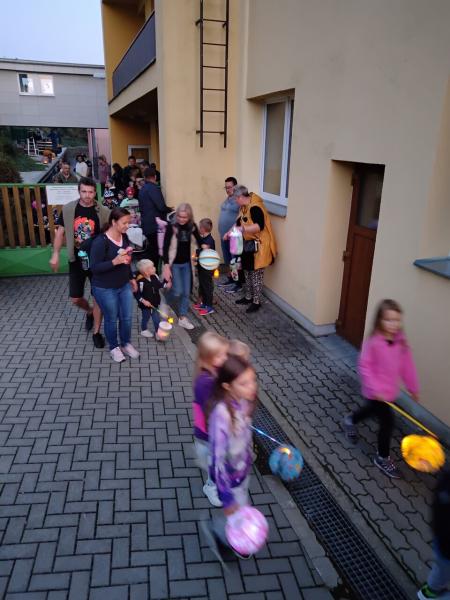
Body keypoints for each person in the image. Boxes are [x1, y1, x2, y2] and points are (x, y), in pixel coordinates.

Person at [343, 299, 420, 479]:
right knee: (388, 423)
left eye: (396, 320)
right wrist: (375, 388)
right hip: (375, 393)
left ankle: (350, 420)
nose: (393, 324)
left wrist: (413, 387)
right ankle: (382, 457)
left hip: (389, 393)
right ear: (379, 320)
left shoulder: (401, 343)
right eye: (388, 320)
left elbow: (407, 366)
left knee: (369, 411)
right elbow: (364, 366)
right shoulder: (374, 342)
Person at [202, 355, 258, 559]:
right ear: (227, 386)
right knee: (237, 512)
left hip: (242, 472)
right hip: (229, 479)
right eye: (244, 383)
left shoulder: (243, 402)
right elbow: (216, 461)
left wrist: (249, 454)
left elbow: (243, 434)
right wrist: (226, 498)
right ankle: (220, 534)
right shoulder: (221, 416)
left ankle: (228, 531)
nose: (252, 387)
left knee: (240, 509)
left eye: (253, 380)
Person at [49, 177, 109, 348]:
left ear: (95, 193)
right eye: (84, 191)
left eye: (90, 192)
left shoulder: (103, 211)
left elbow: (109, 233)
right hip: (76, 260)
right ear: (79, 191)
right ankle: (89, 311)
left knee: (98, 297)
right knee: (75, 298)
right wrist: (55, 254)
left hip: (97, 260)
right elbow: (59, 234)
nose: (87, 195)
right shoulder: (69, 209)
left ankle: (97, 332)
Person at [90, 208, 139, 363]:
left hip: (123, 285)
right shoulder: (100, 242)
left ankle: (125, 343)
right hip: (105, 288)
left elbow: (127, 260)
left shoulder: (124, 237)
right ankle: (114, 347)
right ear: (113, 222)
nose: (127, 226)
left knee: (127, 317)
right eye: (124, 223)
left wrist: (131, 277)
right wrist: (114, 262)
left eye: (129, 222)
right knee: (111, 319)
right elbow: (94, 268)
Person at [224, 185, 277, 313]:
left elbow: (259, 226)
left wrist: (242, 229)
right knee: (247, 271)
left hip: (259, 246)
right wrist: (229, 233)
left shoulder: (255, 207)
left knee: (256, 275)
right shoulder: (244, 207)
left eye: (235, 199)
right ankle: (248, 297)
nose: (235, 201)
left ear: (240, 197)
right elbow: (238, 223)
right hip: (248, 245)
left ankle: (256, 302)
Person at [193, 332, 229, 506]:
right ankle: (210, 486)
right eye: (221, 356)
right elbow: (213, 411)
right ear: (209, 358)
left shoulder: (216, 372)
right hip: (209, 433)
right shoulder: (204, 382)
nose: (225, 358)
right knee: (215, 462)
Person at [162, 203, 202, 330]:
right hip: (174, 264)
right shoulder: (171, 227)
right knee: (177, 291)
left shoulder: (192, 226)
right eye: (179, 216)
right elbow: (165, 247)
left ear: (189, 217)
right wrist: (166, 265)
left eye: (185, 217)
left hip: (186, 264)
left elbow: (199, 241)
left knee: (186, 292)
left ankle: (182, 318)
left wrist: (204, 247)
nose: (181, 219)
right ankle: (165, 302)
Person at [418, 468, 450, 599]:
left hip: (443, 539)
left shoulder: (445, 483)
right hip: (446, 545)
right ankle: (430, 593)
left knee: (442, 569)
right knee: (443, 571)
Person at [139, 166, 170, 267]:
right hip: (155, 226)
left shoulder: (142, 189)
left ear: (145, 177)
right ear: (155, 177)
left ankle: (149, 270)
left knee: (152, 249)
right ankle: (152, 272)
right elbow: (161, 207)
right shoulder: (153, 188)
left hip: (147, 225)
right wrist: (169, 209)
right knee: (156, 252)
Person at [134, 259, 168, 338]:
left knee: (156, 319)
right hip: (145, 305)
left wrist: (166, 282)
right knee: (146, 317)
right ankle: (144, 330)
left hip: (155, 303)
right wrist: (143, 301)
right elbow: (136, 294)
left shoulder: (154, 276)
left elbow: (159, 285)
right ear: (146, 271)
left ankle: (158, 332)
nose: (154, 268)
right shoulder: (140, 281)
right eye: (152, 267)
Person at [217, 177, 240, 290]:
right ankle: (231, 279)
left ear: (235, 187)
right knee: (228, 260)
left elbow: (241, 218)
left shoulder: (239, 200)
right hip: (224, 235)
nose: (227, 190)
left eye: (229, 187)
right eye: (226, 187)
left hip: (234, 236)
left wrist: (231, 231)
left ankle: (237, 284)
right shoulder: (227, 199)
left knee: (234, 261)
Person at [193, 218, 216, 316]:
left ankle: (209, 306)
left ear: (203, 229)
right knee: (202, 286)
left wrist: (197, 258)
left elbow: (206, 256)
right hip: (201, 268)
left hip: (207, 268)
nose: (199, 229)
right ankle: (204, 303)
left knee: (207, 287)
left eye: (199, 227)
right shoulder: (203, 239)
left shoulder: (209, 241)